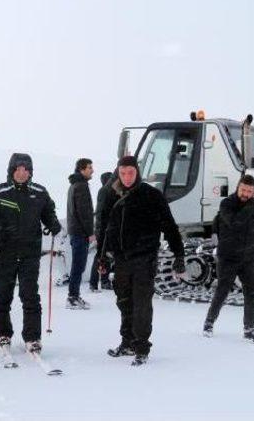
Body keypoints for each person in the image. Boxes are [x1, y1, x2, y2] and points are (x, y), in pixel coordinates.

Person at [103, 156, 185, 366]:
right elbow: (106, 228)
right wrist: (102, 256)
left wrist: (179, 255)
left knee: (141, 304)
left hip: (144, 258)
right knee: (124, 302)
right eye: (123, 173)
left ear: (137, 172)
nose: (127, 177)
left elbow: (170, 226)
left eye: (130, 173)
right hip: (121, 259)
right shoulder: (112, 194)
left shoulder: (151, 195)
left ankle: (141, 347)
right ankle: (127, 342)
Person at [0, 153, 61, 355]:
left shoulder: (39, 192)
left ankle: (33, 337)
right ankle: (3, 333)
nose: (22, 173)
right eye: (18, 169)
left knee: (30, 296)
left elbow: (48, 212)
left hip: (29, 253)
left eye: (26, 169)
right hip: (4, 252)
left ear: (30, 172)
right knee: (2, 296)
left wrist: (53, 223)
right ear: (11, 170)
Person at [203, 174, 254, 345]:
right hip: (228, 257)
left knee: (251, 294)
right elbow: (235, 223)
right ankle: (209, 323)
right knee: (222, 291)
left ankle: (249, 330)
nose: (246, 194)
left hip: (248, 257)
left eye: (250, 191)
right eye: (244, 190)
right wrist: (251, 205)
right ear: (238, 187)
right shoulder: (227, 204)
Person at [66, 158, 95, 309]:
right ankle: (72, 297)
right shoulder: (81, 186)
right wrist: (90, 232)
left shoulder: (74, 185)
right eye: (89, 168)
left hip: (75, 231)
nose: (92, 170)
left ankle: (74, 295)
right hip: (80, 233)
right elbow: (84, 213)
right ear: (81, 169)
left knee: (78, 265)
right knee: (78, 266)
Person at [89, 170, 117, 292]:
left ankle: (105, 281)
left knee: (107, 256)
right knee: (100, 256)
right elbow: (101, 214)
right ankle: (94, 283)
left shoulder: (107, 193)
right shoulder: (104, 192)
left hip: (107, 229)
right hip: (103, 230)